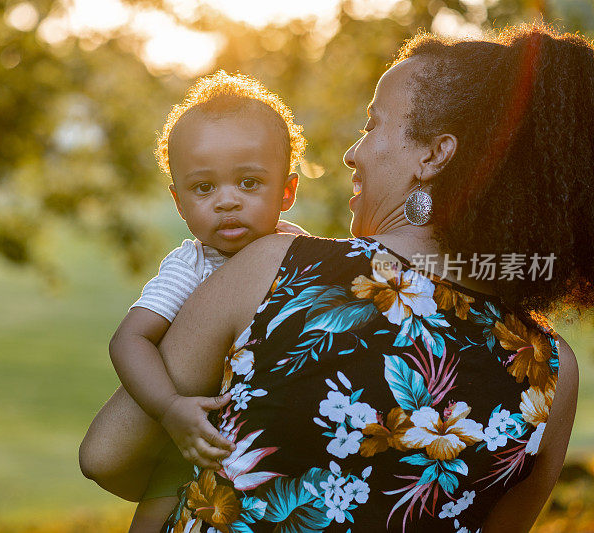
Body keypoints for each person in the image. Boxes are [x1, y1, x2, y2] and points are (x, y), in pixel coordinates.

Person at [88, 23, 589, 532]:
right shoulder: (552, 374)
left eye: (373, 125)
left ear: (434, 155)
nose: (353, 153)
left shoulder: (276, 267)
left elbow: (106, 455)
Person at [78, 71, 309, 531]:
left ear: (286, 191)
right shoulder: (193, 266)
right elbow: (130, 339)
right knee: (159, 506)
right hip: (196, 433)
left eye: (248, 182)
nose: (227, 201)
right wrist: (169, 408)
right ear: (180, 202)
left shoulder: (303, 253)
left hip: (268, 442)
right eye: (204, 188)